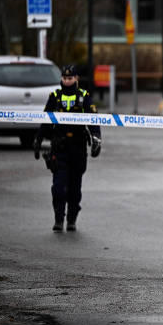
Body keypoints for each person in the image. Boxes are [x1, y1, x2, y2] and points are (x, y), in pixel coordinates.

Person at [33, 64, 102, 232]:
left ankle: (71, 219)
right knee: (58, 187)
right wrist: (39, 139)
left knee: (74, 189)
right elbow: (46, 120)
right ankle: (58, 218)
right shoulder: (55, 97)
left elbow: (94, 120)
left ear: (76, 78)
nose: (67, 81)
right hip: (59, 148)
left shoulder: (83, 96)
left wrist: (96, 139)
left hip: (78, 149)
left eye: (70, 78)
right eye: (64, 78)